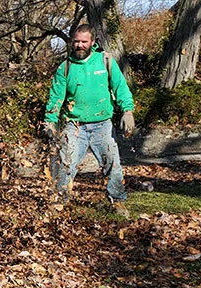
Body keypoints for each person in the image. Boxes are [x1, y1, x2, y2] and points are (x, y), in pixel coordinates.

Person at [44, 24, 134, 216]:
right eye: (76, 41)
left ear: (92, 42)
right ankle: (58, 203)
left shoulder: (105, 61)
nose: (79, 45)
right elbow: (55, 98)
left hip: (103, 125)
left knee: (112, 165)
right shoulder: (65, 68)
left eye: (84, 41)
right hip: (74, 127)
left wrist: (128, 111)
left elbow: (121, 88)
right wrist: (50, 122)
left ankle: (117, 201)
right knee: (65, 166)